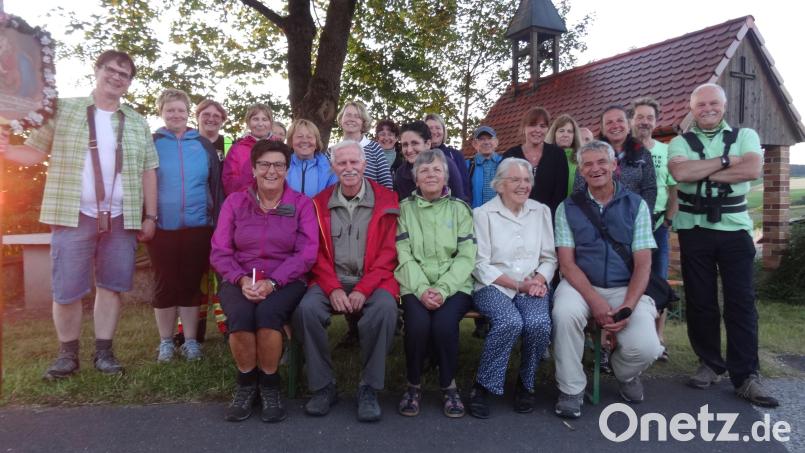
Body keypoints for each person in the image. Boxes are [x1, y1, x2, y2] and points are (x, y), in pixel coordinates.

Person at [0, 50, 158, 379]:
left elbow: (149, 171)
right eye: (112, 70)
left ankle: (104, 353)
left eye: (124, 75)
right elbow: (34, 151)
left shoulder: (138, 122)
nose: (117, 77)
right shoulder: (63, 109)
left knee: (111, 287)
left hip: (121, 216)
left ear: (129, 83)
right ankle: (67, 356)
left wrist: (151, 216)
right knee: (67, 289)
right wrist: (7, 149)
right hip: (73, 213)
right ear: (97, 71)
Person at [668, 83, 778, 408]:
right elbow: (681, 172)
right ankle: (710, 364)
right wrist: (729, 163)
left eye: (713, 103)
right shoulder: (679, 141)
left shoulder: (747, 136)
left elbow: (753, 168)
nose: (707, 109)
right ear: (692, 108)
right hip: (694, 230)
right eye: (701, 105)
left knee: (741, 303)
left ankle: (745, 376)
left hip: (734, 231)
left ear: (724, 105)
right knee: (701, 301)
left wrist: (703, 171)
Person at [552, 140, 663, 419]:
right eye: (587, 164)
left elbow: (643, 264)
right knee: (564, 314)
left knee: (649, 347)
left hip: (626, 287)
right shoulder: (567, 207)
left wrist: (627, 306)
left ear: (615, 166)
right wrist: (595, 301)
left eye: (602, 162)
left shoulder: (636, 205)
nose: (595, 168)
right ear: (581, 170)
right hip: (580, 285)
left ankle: (624, 372)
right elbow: (566, 263)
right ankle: (571, 389)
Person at [210, 140, 318, 422]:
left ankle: (270, 385)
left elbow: (307, 253)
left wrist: (274, 283)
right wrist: (241, 279)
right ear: (254, 168)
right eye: (265, 164)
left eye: (279, 165)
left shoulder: (301, 204)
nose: (272, 171)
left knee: (269, 313)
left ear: (287, 168)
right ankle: (246, 383)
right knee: (241, 314)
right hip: (240, 277)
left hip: (287, 278)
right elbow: (220, 251)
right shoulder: (234, 203)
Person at [292, 140, 400, 422]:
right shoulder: (318, 204)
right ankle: (323, 386)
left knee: (385, 310)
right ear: (333, 166)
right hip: (331, 279)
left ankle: (369, 388)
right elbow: (313, 253)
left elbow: (390, 254)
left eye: (354, 162)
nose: (349, 168)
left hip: (374, 280)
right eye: (342, 163)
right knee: (307, 311)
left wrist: (364, 289)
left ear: (364, 165)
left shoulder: (387, 200)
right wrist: (334, 287)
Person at [467, 158, 556, 419]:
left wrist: (539, 281)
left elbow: (549, 257)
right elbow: (479, 263)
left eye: (527, 180)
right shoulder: (483, 214)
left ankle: (525, 385)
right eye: (515, 179)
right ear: (500, 185)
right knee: (509, 321)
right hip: (493, 285)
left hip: (532, 284)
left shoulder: (541, 211)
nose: (523, 185)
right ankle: (483, 386)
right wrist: (517, 284)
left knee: (539, 323)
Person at [396, 149, 476, 418]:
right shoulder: (404, 210)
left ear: (446, 177)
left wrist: (442, 290)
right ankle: (413, 383)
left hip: (454, 285)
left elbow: (466, 257)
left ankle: (448, 385)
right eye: (424, 171)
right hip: (414, 283)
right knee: (417, 325)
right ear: (415, 179)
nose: (431, 175)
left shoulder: (460, 210)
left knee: (443, 325)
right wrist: (420, 289)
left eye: (437, 170)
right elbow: (403, 254)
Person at [149, 88, 223, 362]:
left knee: (192, 285)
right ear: (162, 113)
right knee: (165, 284)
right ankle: (166, 342)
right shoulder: (153, 142)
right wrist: (148, 217)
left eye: (181, 110)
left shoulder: (202, 145)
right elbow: (143, 181)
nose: (176, 114)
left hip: (198, 226)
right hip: (161, 227)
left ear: (188, 112)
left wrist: (216, 222)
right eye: (170, 110)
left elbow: (215, 186)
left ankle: (191, 341)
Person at [630, 97, 678, 361]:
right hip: (630, 226)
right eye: (640, 117)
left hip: (657, 224)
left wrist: (668, 221)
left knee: (659, 280)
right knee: (629, 279)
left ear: (655, 121)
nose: (645, 122)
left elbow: (674, 190)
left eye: (649, 117)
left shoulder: (664, 151)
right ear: (632, 120)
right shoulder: (626, 151)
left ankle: (659, 338)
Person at [573, 106, 657, 210]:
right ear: (602, 129)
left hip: (633, 217)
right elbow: (579, 190)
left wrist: (643, 216)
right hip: (596, 218)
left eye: (620, 120)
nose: (615, 125)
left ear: (629, 126)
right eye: (609, 122)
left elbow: (650, 189)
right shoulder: (589, 154)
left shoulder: (643, 153)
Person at [502, 107, 568, 217]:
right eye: (533, 125)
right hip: (516, 219)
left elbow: (560, 194)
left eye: (542, 126)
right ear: (524, 128)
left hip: (548, 220)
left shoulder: (558, 155)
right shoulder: (510, 156)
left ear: (547, 129)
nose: (538, 130)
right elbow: (505, 191)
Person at [394, 121, 468, 203]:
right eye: (405, 145)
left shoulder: (445, 165)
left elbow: (460, 201)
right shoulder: (401, 174)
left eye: (415, 143)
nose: (409, 150)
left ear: (428, 144)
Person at [222, 103, 278, 196]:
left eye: (264, 119)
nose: (260, 124)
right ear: (248, 122)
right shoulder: (236, 149)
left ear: (271, 123)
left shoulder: (279, 148)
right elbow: (229, 182)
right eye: (255, 119)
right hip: (245, 203)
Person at [335, 101, 393, 189]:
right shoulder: (332, 151)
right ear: (341, 119)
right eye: (348, 115)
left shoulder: (375, 148)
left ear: (363, 122)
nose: (352, 119)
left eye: (357, 116)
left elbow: (386, 183)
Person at [286, 119, 337, 197]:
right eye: (299, 136)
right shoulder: (282, 166)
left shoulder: (330, 171)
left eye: (309, 137)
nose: (305, 140)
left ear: (316, 143)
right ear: (291, 142)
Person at [424, 113, 471, 195]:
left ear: (443, 131)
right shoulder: (420, 156)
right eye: (430, 128)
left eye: (438, 128)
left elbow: (465, 185)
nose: (434, 131)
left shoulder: (456, 155)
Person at [546, 114, 583, 196]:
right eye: (561, 131)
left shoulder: (581, 160)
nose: (565, 135)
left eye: (569, 131)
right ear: (554, 134)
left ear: (574, 136)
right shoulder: (544, 158)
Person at [466, 125, 503, 209]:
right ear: (474, 144)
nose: (486, 142)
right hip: (476, 217)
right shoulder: (467, 166)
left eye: (490, 138)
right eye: (482, 139)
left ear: (496, 142)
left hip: (502, 217)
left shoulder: (505, 163)